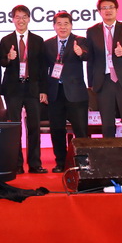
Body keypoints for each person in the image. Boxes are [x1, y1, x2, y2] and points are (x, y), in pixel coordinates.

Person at [0, 5, 48, 173]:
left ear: (29, 19)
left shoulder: (38, 40)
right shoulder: (6, 40)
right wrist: (8, 57)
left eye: (24, 17)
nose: (21, 20)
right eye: (17, 17)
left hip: (33, 88)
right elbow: (0, 62)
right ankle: (16, 164)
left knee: (34, 127)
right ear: (12, 19)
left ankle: (35, 164)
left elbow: (43, 67)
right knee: (15, 127)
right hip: (13, 89)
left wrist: (43, 90)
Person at [86, 0, 122, 138]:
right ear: (99, 11)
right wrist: (91, 82)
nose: (108, 10)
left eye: (111, 7)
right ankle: (109, 151)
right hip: (104, 80)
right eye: (104, 8)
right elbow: (91, 58)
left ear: (117, 10)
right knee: (107, 123)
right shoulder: (92, 31)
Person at [44, 11, 89, 173]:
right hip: (55, 92)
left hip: (76, 93)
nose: (63, 27)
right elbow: (43, 69)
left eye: (66, 24)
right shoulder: (47, 44)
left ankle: (83, 163)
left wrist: (81, 53)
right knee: (57, 129)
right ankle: (61, 162)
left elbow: (88, 55)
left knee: (80, 130)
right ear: (54, 26)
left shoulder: (80, 41)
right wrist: (43, 91)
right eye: (59, 24)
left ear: (71, 25)